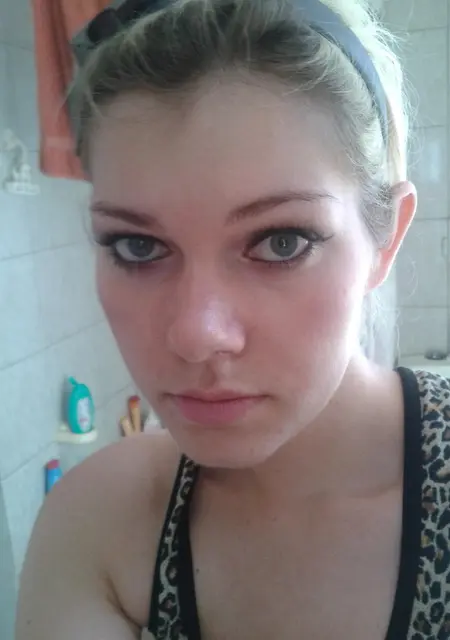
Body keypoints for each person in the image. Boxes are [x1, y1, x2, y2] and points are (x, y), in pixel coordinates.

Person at [16, 0, 450, 638]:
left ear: (384, 241)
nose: (197, 336)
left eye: (281, 242)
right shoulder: (96, 524)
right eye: (137, 246)